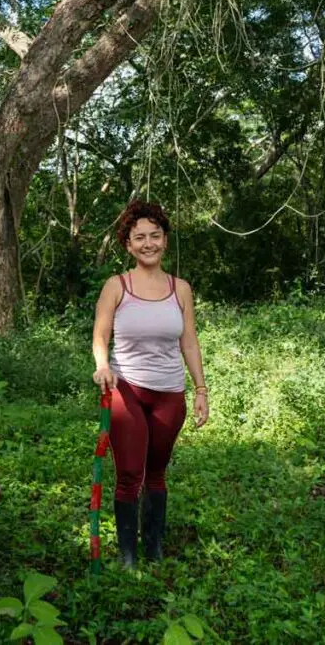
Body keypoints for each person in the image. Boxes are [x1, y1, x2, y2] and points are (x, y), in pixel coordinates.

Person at [91, 199, 208, 567]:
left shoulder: (181, 289)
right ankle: (128, 556)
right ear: (128, 244)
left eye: (154, 236)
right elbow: (100, 336)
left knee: (156, 472)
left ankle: (154, 548)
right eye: (139, 237)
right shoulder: (117, 286)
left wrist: (201, 389)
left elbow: (188, 341)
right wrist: (101, 366)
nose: (148, 243)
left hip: (170, 393)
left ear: (165, 240)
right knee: (129, 474)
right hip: (127, 389)